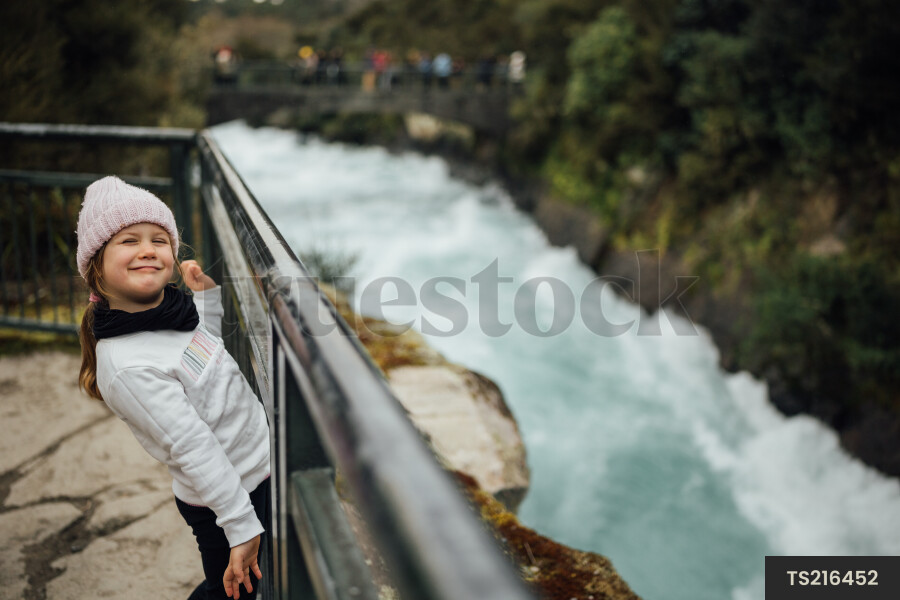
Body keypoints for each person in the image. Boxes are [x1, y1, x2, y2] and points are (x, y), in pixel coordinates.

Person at [76, 176, 271, 600]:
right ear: (96, 266)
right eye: (129, 240)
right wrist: (239, 524)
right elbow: (191, 445)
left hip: (256, 468)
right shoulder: (127, 364)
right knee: (235, 593)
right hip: (226, 501)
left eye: (159, 240)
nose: (148, 248)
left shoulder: (173, 313)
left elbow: (204, 355)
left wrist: (207, 301)